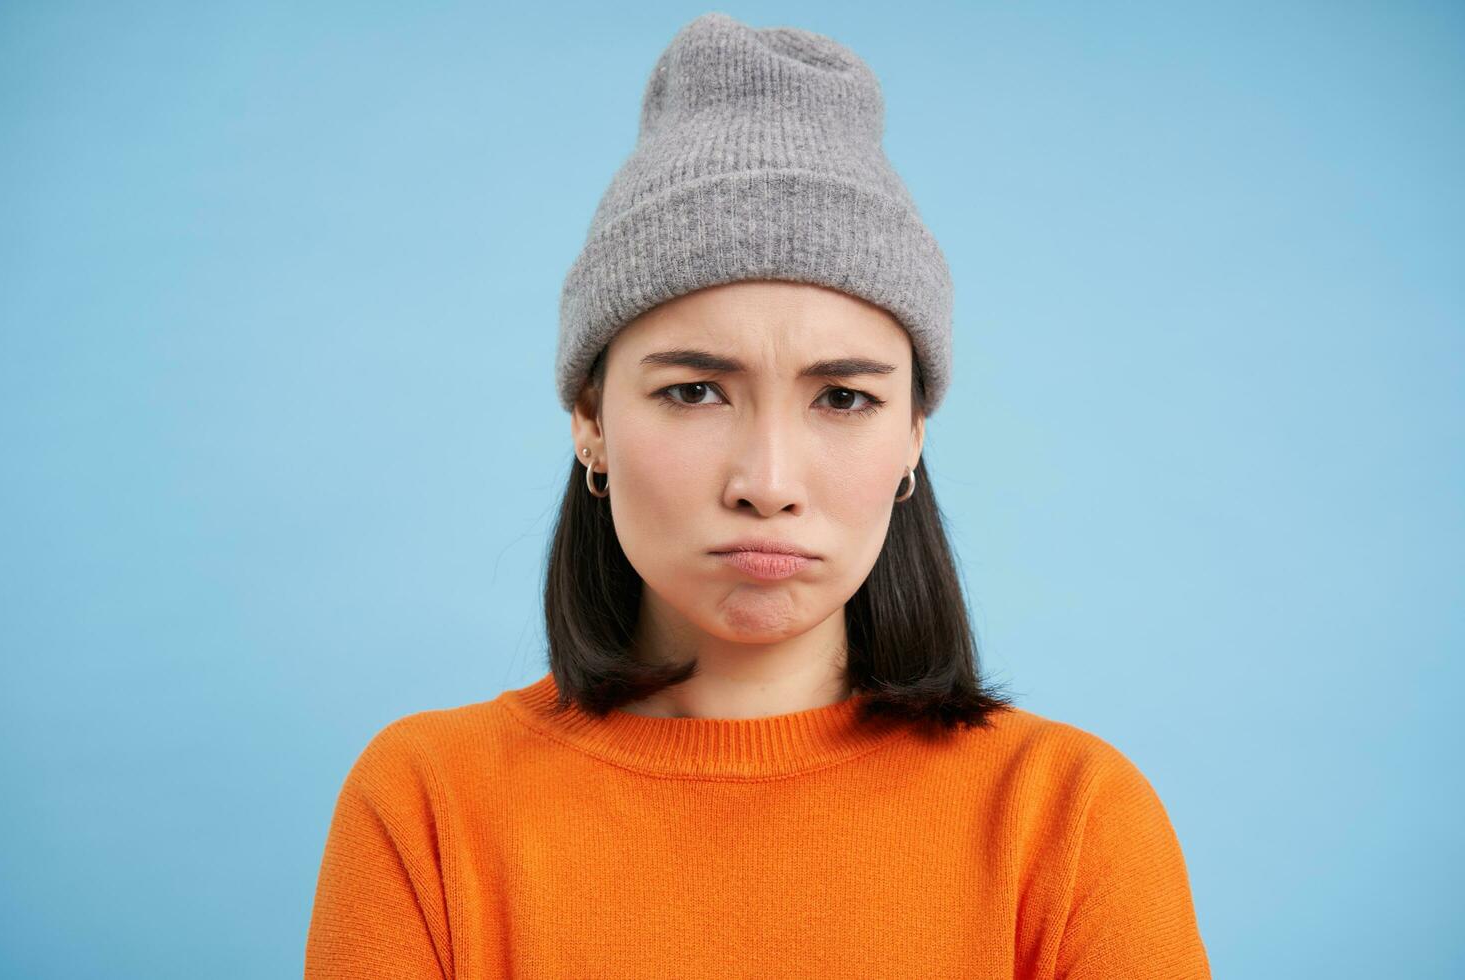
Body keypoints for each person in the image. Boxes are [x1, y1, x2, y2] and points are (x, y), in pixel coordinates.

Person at [304, 12, 1211, 978]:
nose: (768, 484)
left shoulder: (1067, 818)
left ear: (913, 438)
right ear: (591, 420)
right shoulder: (428, 804)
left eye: (844, 397)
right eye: (694, 391)